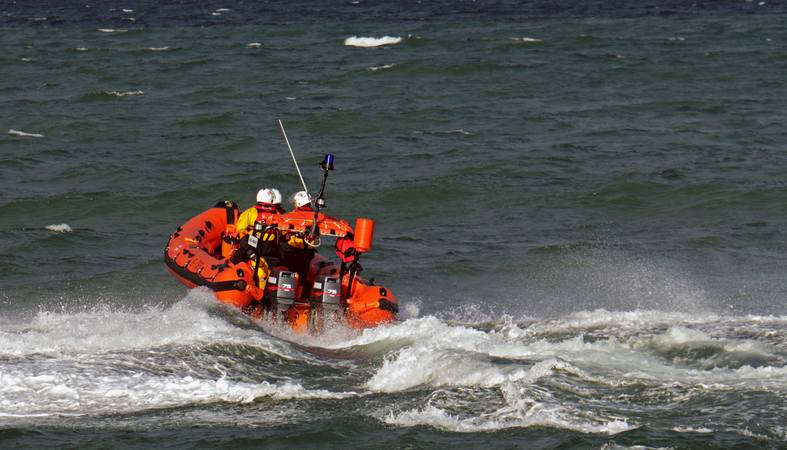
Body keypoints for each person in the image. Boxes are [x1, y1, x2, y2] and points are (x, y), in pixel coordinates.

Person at [231, 188, 284, 289]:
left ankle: (236, 267)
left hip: (254, 244)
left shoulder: (251, 212)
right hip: (270, 249)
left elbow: (239, 229)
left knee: (243, 243)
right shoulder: (279, 214)